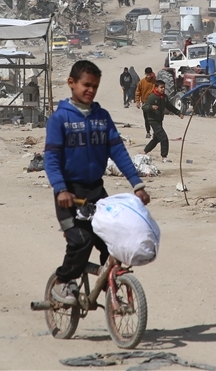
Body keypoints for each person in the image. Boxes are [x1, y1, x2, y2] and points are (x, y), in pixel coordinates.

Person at [44, 60, 150, 305]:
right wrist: (61, 189)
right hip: (69, 193)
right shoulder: (59, 119)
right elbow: (51, 158)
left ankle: (112, 289)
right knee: (81, 240)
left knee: (113, 240)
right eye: (86, 85)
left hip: (95, 190)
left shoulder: (102, 117)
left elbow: (119, 152)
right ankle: (62, 283)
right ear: (71, 83)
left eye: (95, 86)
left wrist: (137, 185)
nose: (90, 90)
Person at [143, 80, 183, 163]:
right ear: (156, 88)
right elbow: (144, 107)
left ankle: (144, 152)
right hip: (153, 121)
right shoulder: (152, 97)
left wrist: (178, 113)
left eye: (164, 87)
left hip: (159, 120)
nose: (163, 89)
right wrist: (151, 107)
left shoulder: (164, 97)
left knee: (156, 138)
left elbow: (169, 106)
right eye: (161, 87)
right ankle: (164, 157)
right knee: (164, 138)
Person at [134, 68, 157, 138]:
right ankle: (148, 132)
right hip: (145, 103)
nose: (148, 76)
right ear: (145, 74)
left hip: (153, 104)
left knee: (153, 119)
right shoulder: (142, 82)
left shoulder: (155, 82)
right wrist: (137, 101)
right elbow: (137, 92)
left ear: (152, 74)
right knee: (146, 119)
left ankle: (155, 132)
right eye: (147, 75)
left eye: (150, 74)